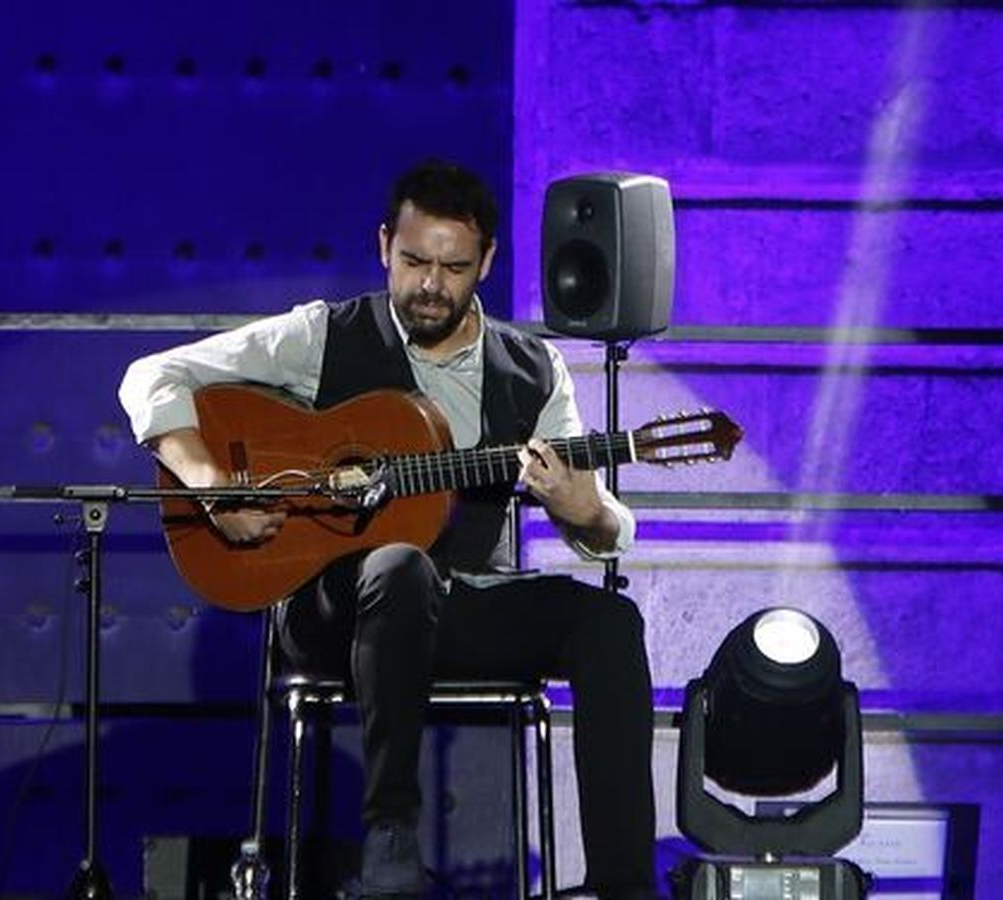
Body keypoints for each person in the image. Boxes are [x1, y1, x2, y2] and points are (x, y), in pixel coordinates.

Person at [118, 160, 657, 899]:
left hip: (460, 607)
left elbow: (601, 522)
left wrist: (583, 509)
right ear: (383, 247)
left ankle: (622, 885)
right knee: (396, 566)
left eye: (453, 266)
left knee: (610, 621)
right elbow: (151, 376)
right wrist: (213, 486)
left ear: (488, 263)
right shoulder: (323, 335)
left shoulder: (533, 370)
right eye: (414, 261)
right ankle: (391, 841)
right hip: (336, 612)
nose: (430, 284)